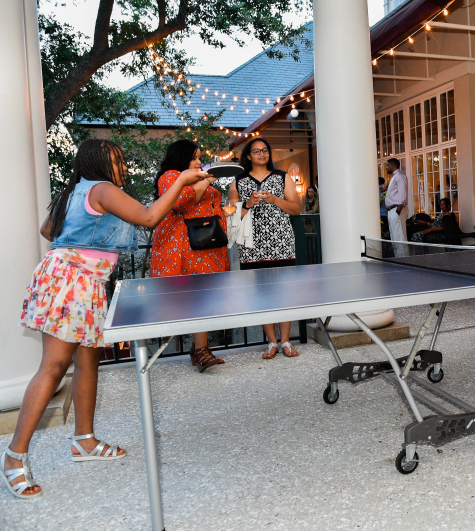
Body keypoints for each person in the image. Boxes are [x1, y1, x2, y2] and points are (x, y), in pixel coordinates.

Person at [4, 139, 206, 498]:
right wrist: (181, 181)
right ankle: (13, 457)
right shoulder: (101, 189)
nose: (122, 166)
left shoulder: (76, 191)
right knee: (53, 366)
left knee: (87, 363)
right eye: (116, 160)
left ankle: (84, 440)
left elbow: (48, 231)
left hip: (82, 281)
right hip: (71, 280)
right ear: (98, 163)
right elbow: (148, 217)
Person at [151, 140, 230, 372]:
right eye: (194, 157)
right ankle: (200, 350)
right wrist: (206, 181)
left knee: (203, 299)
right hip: (184, 248)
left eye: (199, 157)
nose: (198, 162)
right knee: (194, 299)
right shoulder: (170, 177)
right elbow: (180, 202)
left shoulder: (197, 177)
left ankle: (201, 349)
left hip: (207, 247)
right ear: (181, 157)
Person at [229, 139, 302, 358]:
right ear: (248, 156)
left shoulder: (282, 177)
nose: (262, 154)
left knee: (284, 292)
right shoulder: (238, 182)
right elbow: (231, 217)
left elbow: (296, 209)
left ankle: (286, 340)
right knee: (261, 294)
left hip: (281, 242)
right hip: (252, 246)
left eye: (265, 150)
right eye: (256, 151)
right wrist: (248, 204)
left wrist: (274, 199)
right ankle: (272, 342)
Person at [384, 157, 409, 257]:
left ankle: (403, 260)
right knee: (395, 237)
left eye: (387, 166)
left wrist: (398, 210)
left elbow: (402, 194)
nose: (386, 168)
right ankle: (399, 259)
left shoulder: (399, 176)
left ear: (393, 166)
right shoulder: (394, 176)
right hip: (392, 210)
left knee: (399, 237)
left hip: (396, 210)